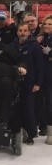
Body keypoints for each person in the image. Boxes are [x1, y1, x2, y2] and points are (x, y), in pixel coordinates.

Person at [9, 23, 44, 145]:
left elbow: (40, 66)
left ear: (29, 32)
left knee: (28, 109)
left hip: (29, 83)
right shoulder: (12, 46)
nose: (22, 33)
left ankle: (31, 134)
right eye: (20, 30)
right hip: (14, 83)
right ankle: (16, 131)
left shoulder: (34, 46)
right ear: (17, 32)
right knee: (15, 108)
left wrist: (38, 83)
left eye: (25, 31)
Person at [39, 15, 52, 144]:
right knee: (42, 103)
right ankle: (43, 127)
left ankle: (50, 133)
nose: (47, 26)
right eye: (45, 24)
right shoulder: (43, 38)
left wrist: (50, 53)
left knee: (50, 104)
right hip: (43, 76)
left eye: (50, 24)